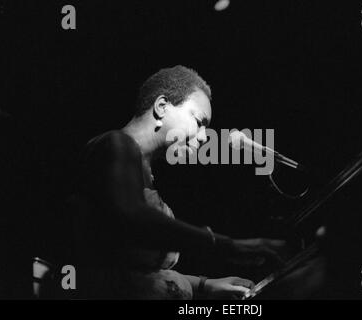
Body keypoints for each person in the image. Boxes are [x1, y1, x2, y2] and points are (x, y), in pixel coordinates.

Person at [68, 66, 287, 300]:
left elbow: (136, 271)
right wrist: (230, 246)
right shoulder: (114, 144)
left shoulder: (144, 170)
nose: (203, 137)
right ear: (162, 107)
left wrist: (206, 285)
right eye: (199, 121)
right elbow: (133, 219)